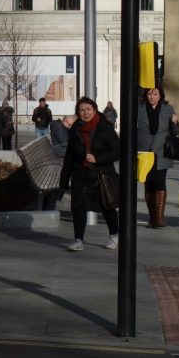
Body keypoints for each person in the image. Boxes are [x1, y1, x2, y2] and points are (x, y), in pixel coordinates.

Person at [58, 97, 120, 252]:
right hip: (80, 173)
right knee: (78, 207)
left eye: (88, 109)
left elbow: (117, 150)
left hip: (101, 174)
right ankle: (78, 240)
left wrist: (97, 158)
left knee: (107, 206)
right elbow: (69, 156)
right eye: (81, 110)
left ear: (94, 110)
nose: (85, 113)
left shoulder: (104, 126)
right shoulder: (75, 129)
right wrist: (64, 180)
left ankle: (114, 235)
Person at [137, 86, 179, 228]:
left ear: (160, 95)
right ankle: (152, 218)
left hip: (162, 151)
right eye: (149, 93)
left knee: (160, 182)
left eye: (155, 94)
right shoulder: (139, 108)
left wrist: (175, 122)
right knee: (148, 183)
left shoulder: (168, 109)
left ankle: (160, 218)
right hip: (144, 151)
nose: (152, 96)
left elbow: (176, 132)